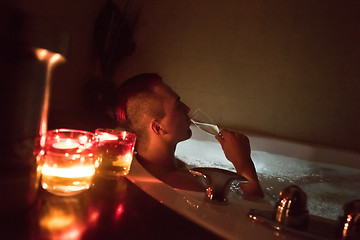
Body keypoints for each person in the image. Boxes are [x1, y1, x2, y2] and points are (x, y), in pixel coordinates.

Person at [114, 73, 264, 198]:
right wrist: (243, 164)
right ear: (158, 128)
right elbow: (250, 221)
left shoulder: (151, 165)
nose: (187, 108)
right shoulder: (182, 185)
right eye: (178, 105)